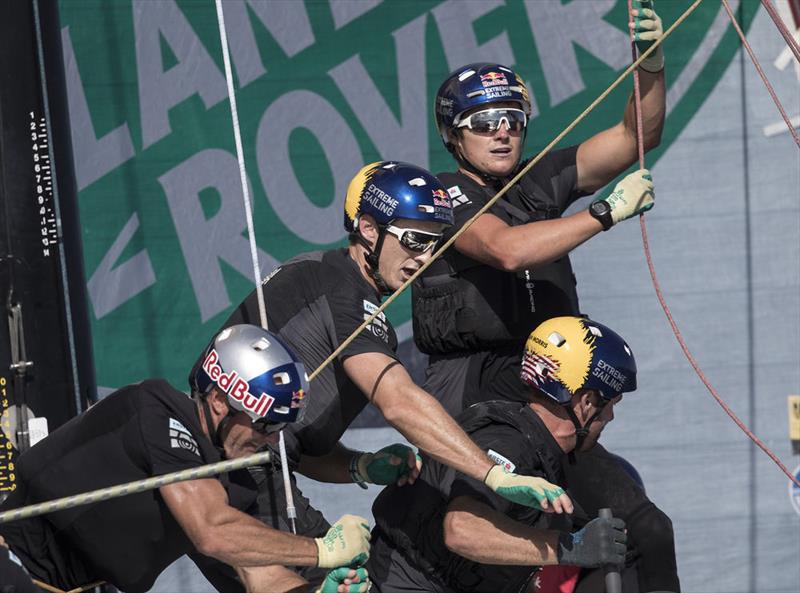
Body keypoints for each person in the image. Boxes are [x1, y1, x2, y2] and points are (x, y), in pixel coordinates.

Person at [189, 161, 573, 590]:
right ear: (368, 229)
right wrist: (493, 474)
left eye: (436, 244)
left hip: (227, 462)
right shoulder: (342, 289)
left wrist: (359, 465)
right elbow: (398, 400)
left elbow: (291, 441)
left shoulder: (330, 283)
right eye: (414, 240)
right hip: (237, 468)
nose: (425, 258)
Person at [411, 2, 679, 591]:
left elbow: (639, 135)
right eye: (483, 122)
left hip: (551, 393)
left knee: (640, 531)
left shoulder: (539, 179)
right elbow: (505, 249)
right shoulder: (440, 195)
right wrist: (603, 214)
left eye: (512, 117)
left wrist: (650, 64)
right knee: (481, 560)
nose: (501, 130)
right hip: (474, 395)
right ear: (452, 134)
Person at [0, 324, 371, 593]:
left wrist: (318, 591)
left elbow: (264, 577)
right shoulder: (158, 411)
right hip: (11, 562)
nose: (273, 439)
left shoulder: (234, 485)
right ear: (220, 401)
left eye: (282, 427)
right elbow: (212, 531)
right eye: (265, 423)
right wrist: (321, 550)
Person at [367, 316, 639, 593]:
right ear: (587, 401)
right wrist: (569, 548)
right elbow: (461, 530)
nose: (611, 416)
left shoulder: (539, 447)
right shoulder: (509, 441)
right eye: (610, 404)